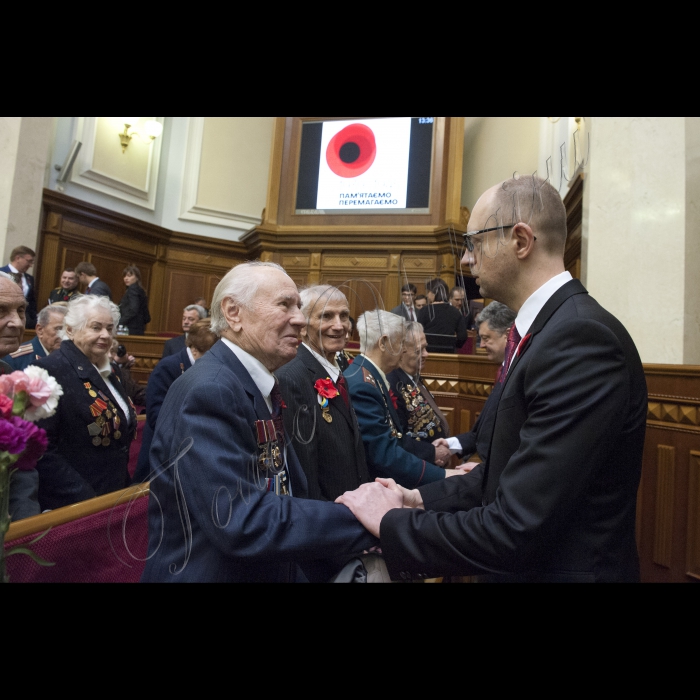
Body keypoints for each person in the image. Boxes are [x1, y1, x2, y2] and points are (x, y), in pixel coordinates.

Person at [337, 175, 648, 583]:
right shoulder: (548, 330)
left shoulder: (578, 339)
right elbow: (505, 472)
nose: (466, 260)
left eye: (475, 242)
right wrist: (418, 498)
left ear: (520, 241)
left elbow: (517, 526)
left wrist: (391, 521)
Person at [141, 262, 377, 583]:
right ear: (234, 312)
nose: (300, 319)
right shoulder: (211, 389)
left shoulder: (251, 380)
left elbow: (284, 488)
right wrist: (368, 519)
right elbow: (240, 521)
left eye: (299, 306)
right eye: (285, 305)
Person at [34, 295, 137, 512]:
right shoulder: (50, 371)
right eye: (96, 327)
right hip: (74, 505)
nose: (105, 335)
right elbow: (42, 449)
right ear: (70, 330)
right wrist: (85, 499)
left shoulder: (112, 371)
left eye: (110, 328)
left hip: (112, 495)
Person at [345, 310, 464, 489]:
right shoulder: (363, 385)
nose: (404, 349)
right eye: (401, 342)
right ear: (384, 343)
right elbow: (384, 454)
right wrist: (443, 475)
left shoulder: (370, 376)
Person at [277, 285, 370, 502]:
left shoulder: (338, 367)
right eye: (326, 316)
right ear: (303, 324)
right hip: (328, 515)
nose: (339, 326)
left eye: (344, 316)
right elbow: (304, 468)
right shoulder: (292, 378)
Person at [432, 301, 516, 471]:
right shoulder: (503, 370)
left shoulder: (516, 374)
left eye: (486, 338)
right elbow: (482, 433)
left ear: (508, 335)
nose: (482, 345)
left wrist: (482, 468)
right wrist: (450, 444)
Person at [133, 318, 218, 484]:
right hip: (163, 457)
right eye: (210, 354)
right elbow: (156, 417)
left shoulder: (208, 369)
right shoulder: (168, 367)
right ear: (193, 349)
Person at [0, 272, 40, 521]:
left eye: (21, 310)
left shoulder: (10, 376)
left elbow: (21, 467)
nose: (16, 322)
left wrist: (28, 525)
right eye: (2, 310)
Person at [387, 322, 452, 468]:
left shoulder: (413, 377)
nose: (426, 354)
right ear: (401, 352)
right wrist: (432, 453)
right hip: (417, 469)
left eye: (425, 348)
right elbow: (398, 438)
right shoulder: (393, 384)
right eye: (419, 350)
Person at [4, 305, 68, 371]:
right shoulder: (14, 359)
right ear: (40, 330)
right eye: (58, 329)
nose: (65, 335)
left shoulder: (70, 356)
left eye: (69, 330)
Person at [418, 279, 468, 354]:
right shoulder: (455, 312)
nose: (427, 295)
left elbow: (417, 333)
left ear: (435, 293)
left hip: (427, 353)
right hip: (448, 354)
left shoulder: (424, 311)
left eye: (429, 292)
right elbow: (462, 336)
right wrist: (453, 345)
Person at [1, 246, 37, 330]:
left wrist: (33, 320)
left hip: (26, 323)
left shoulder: (29, 278)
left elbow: (32, 302)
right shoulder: (1, 273)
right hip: (5, 321)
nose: (31, 265)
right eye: (29, 261)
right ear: (18, 258)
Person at [109, 340, 146, 410]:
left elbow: (134, 393)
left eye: (112, 351)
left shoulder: (119, 371)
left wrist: (124, 366)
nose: (110, 355)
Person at [118, 265, 151, 336]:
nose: (126, 278)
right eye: (125, 276)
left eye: (129, 276)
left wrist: (120, 322)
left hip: (130, 329)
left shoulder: (132, 289)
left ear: (137, 277)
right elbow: (147, 317)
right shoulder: (141, 290)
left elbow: (133, 309)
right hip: (139, 329)